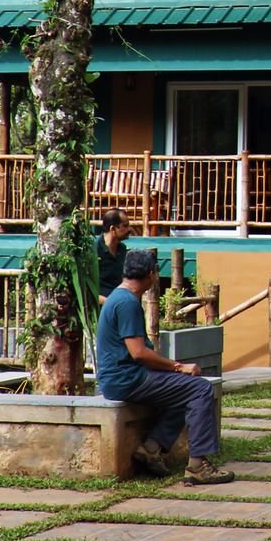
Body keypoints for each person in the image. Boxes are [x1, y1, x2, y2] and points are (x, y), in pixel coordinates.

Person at [96, 248, 235, 485]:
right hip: (127, 378)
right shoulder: (127, 302)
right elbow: (138, 353)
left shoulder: (119, 297)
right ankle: (198, 466)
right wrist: (178, 367)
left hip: (122, 376)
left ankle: (152, 447)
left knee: (183, 391)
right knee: (199, 389)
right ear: (151, 274)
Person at [95, 208, 132, 299]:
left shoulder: (122, 249)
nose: (129, 229)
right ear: (113, 229)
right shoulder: (94, 250)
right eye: (125, 226)